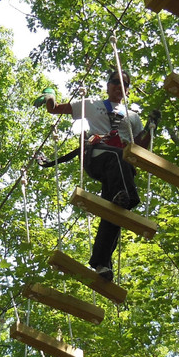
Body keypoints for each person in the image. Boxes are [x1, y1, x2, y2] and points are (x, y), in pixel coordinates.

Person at [37, 70, 158, 282]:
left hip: (121, 169)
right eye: (115, 82)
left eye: (124, 84)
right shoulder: (91, 104)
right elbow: (55, 110)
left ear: (127, 89)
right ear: (108, 85)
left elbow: (140, 149)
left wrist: (150, 128)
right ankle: (128, 195)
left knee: (114, 212)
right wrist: (49, 96)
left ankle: (102, 263)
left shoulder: (133, 117)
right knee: (119, 157)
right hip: (97, 156)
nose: (119, 87)